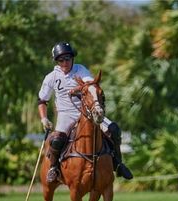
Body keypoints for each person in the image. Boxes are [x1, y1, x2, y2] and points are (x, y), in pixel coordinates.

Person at [38, 41, 133, 183]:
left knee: (114, 129)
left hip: (87, 112)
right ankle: (54, 168)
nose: (65, 62)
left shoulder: (80, 70)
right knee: (56, 140)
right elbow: (42, 100)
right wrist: (44, 118)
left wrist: (76, 89)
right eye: (61, 60)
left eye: (67, 59)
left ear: (72, 58)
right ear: (56, 61)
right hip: (66, 114)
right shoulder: (51, 77)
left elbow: (91, 84)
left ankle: (118, 163)